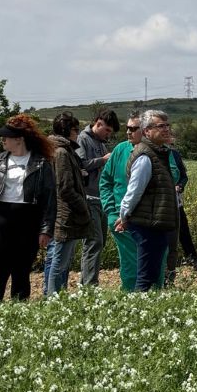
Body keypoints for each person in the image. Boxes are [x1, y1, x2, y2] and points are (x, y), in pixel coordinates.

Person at [0, 113, 56, 305]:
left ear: (19, 140)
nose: (3, 140)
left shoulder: (41, 164)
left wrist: (45, 229)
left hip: (27, 222)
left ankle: (17, 316)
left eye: (6, 137)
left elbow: (50, 201)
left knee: (21, 272)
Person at [113, 112, 179, 291]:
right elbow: (134, 191)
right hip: (147, 224)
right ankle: (137, 313)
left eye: (167, 125)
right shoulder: (145, 156)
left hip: (154, 223)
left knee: (150, 272)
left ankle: (144, 310)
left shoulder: (158, 153)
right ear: (147, 131)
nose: (166, 129)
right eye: (160, 126)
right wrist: (124, 216)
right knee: (146, 275)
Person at [41, 113, 94, 296]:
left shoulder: (55, 149)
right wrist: (82, 205)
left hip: (60, 210)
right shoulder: (62, 152)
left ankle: (51, 294)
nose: (77, 134)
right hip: (66, 212)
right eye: (75, 130)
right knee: (60, 259)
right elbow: (64, 187)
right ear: (67, 131)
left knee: (55, 256)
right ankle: (54, 297)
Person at [97, 115, 148, 291]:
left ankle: (153, 300)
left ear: (145, 130)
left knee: (153, 262)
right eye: (128, 128)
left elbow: (173, 174)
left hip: (147, 219)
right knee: (129, 264)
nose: (128, 132)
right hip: (120, 219)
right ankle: (130, 299)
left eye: (133, 128)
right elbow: (105, 181)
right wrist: (111, 212)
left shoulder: (157, 150)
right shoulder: (120, 150)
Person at [75, 109, 117, 286]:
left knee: (99, 242)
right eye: (107, 130)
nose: (108, 134)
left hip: (100, 198)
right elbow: (81, 165)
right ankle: (89, 286)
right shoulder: (83, 139)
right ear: (98, 123)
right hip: (88, 197)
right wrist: (103, 159)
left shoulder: (100, 142)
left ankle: (87, 283)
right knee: (94, 241)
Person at [164, 127, 197, 275]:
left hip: (176, 201)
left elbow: (183, 176)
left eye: (169, 135)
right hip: (161, 203)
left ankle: (194, 261)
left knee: (184, 231)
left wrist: (179, 186)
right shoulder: (151, 153)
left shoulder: (174, 154)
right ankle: (166, 267)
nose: (168, 138)